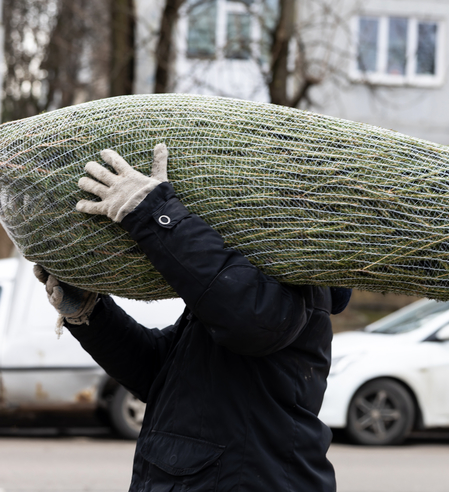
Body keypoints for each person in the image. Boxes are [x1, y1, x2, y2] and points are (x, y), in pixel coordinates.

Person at [34, 143, 350, 492]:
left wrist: (153, 212)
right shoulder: (241, 282)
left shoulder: (298, 282)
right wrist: (91, 315)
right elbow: (160, 373)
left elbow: (251, 319)